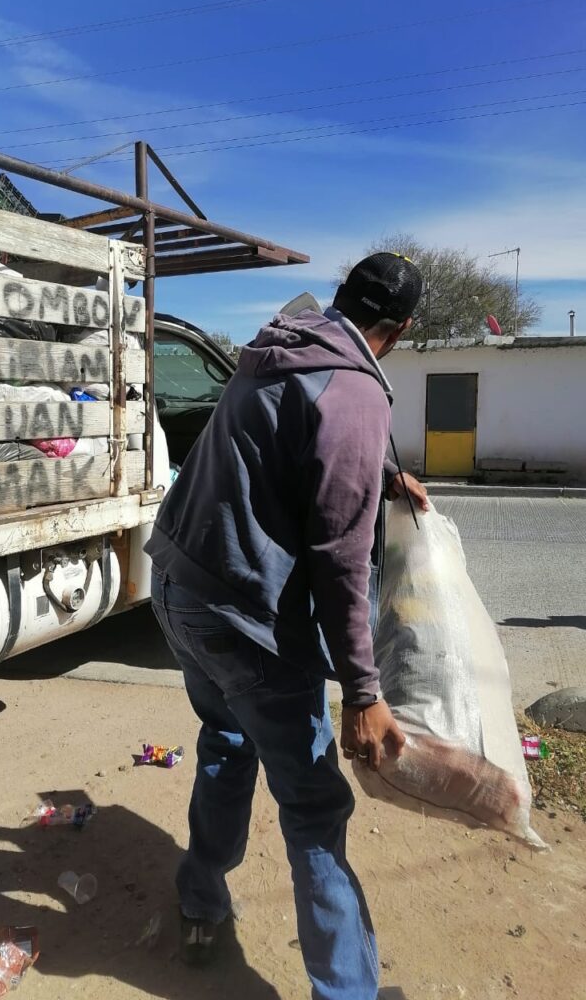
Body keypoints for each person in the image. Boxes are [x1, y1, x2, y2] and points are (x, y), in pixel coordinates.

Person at [146, 253, 428, 1000]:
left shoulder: (282, 342)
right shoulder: (356, 393)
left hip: (177, 588)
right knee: (313, 806)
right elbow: (338, 559)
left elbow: (282, 448)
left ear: (341, 300)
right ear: (398, 330)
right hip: (242, 619)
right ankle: (346, 993)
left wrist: (380, 475)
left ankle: (201, 905)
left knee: (226, 744)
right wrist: (364, 693)